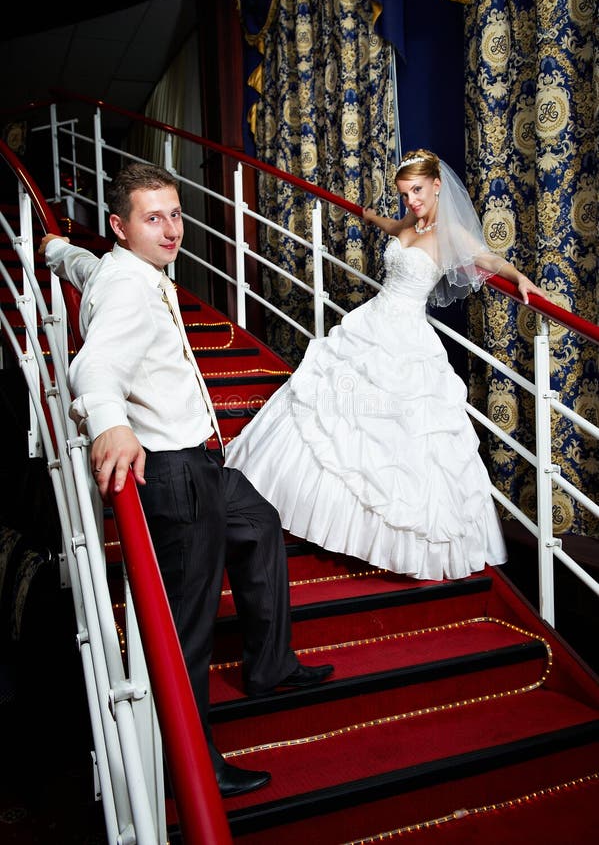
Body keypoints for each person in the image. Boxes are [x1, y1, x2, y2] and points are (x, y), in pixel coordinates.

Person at [41, 162, 333, 800]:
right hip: (171, 471)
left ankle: (269, 665)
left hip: (202, 462)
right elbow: (93, 368)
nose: (171, 229)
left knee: (257, 521)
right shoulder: (130, 289)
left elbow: (83, 268)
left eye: (175, 214)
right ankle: (193, 766)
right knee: (188, 629)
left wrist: (58, 249)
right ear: (121, 227)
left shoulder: (116, 265)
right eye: (154, 218)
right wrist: (112, 425)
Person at [225, 148, 545, 581]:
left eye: (417, 190)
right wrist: (372, 217)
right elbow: (395, 228)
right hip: (371, 321)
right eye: (404, 193)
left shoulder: (451, 233)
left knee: (397, 435)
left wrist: (518, 277)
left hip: (407, 336)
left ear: (436, 185)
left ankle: (391, 537)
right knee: (334, 414)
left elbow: (487, 259)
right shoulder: (411, 222)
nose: (411, 200)